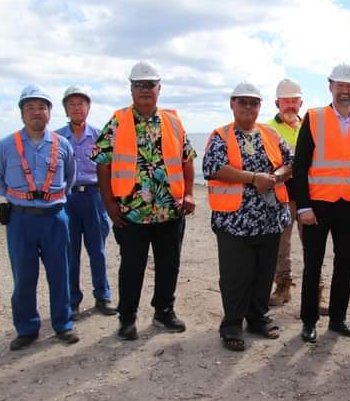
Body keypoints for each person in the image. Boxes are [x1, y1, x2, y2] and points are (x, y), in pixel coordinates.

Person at [92, 61, 196, 341]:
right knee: (131, 268)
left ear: (159, 88)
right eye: (139, 85)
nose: (145, 90)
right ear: (131, 89)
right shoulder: (117, 120)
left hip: (169, 211)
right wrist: (109, 204)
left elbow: (187, 159)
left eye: (150, 84)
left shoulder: (173, 121)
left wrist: (188, 193)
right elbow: (102, 163)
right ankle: (127, 319)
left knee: (168, 265)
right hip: (131, 213)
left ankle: (164, 312)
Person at [203, 82, 292, 352]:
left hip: (270, 219)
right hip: (234, 221)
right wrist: (254, 178)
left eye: (253, 103)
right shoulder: (220, 135)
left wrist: (275, 177)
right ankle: (231, 324)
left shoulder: (271, 134)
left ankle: (257, 318)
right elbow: (213, 167)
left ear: (259, 107)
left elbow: (291, 162)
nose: (248, 108)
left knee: (263, 273)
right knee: (235, 276)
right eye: (243, 102)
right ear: (232, 104)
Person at [0, 85, 78, 350]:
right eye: (30, 108)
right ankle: (27, 328)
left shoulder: (62, 145)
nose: (36, 112)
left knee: (60, 273)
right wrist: (20, 200)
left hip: (55, 218)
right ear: (22, 114)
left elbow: (69, 179)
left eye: (42, 107)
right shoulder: (6, 145)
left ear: (50, 113)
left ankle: (63, 324)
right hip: (21, 219)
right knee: (24, 276)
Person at [293, 63, 350, 343]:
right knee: (312, 264)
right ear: (330, 86)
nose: (345, 91)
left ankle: (338, 319)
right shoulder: (314, 118)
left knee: (346, 264)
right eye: (340, 85)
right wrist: (302, 206)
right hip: (318, 205)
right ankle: (309, 320)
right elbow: (300, 165)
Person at [265, 79, 328, 314]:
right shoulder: (267, 128)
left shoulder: (310, 126)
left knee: (313, 245)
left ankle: (316, 293)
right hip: (281, 197)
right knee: (281, 246)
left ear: (301, 103)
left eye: (294, 101)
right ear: (277, 103)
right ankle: (283, 288)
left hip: (309, 197)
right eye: (285, 101)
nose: (290, 106)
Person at [55, 86, 116, 317]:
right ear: (66, 109)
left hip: (93, 196)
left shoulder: (100, 135)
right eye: (72, 104)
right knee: (70, 251)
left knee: (97, 250)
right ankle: (72, 300)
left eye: (81, 103)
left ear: (89, 107)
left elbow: (110, 169)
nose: (77, 108)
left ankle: (103, 296)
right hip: (68, 198)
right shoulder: (58, 138)